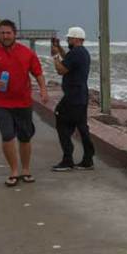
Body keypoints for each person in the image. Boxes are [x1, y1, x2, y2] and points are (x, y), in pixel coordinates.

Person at [0, 19, 49, 187]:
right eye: (2, 33)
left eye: (8, 33)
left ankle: (26, 169)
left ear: (15, 34)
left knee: (25, 137)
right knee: (7, 135)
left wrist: (43, 90)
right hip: (0, 103)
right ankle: (14, 170)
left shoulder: (27, 52)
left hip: (23, 102)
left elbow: (38, 73)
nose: (5, 36)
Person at [49, 27, 94, 171]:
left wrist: (55, 56)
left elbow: (61, 70)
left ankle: (67, 160)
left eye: (69, 38)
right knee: (82, 127)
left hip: (72, 96)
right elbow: (68, 60)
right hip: (81, 95)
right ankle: (88, 159)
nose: (67, 40)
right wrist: (60, 49)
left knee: (61, 122)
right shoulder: (82, 52)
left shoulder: (76, 53)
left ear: (76, 39)